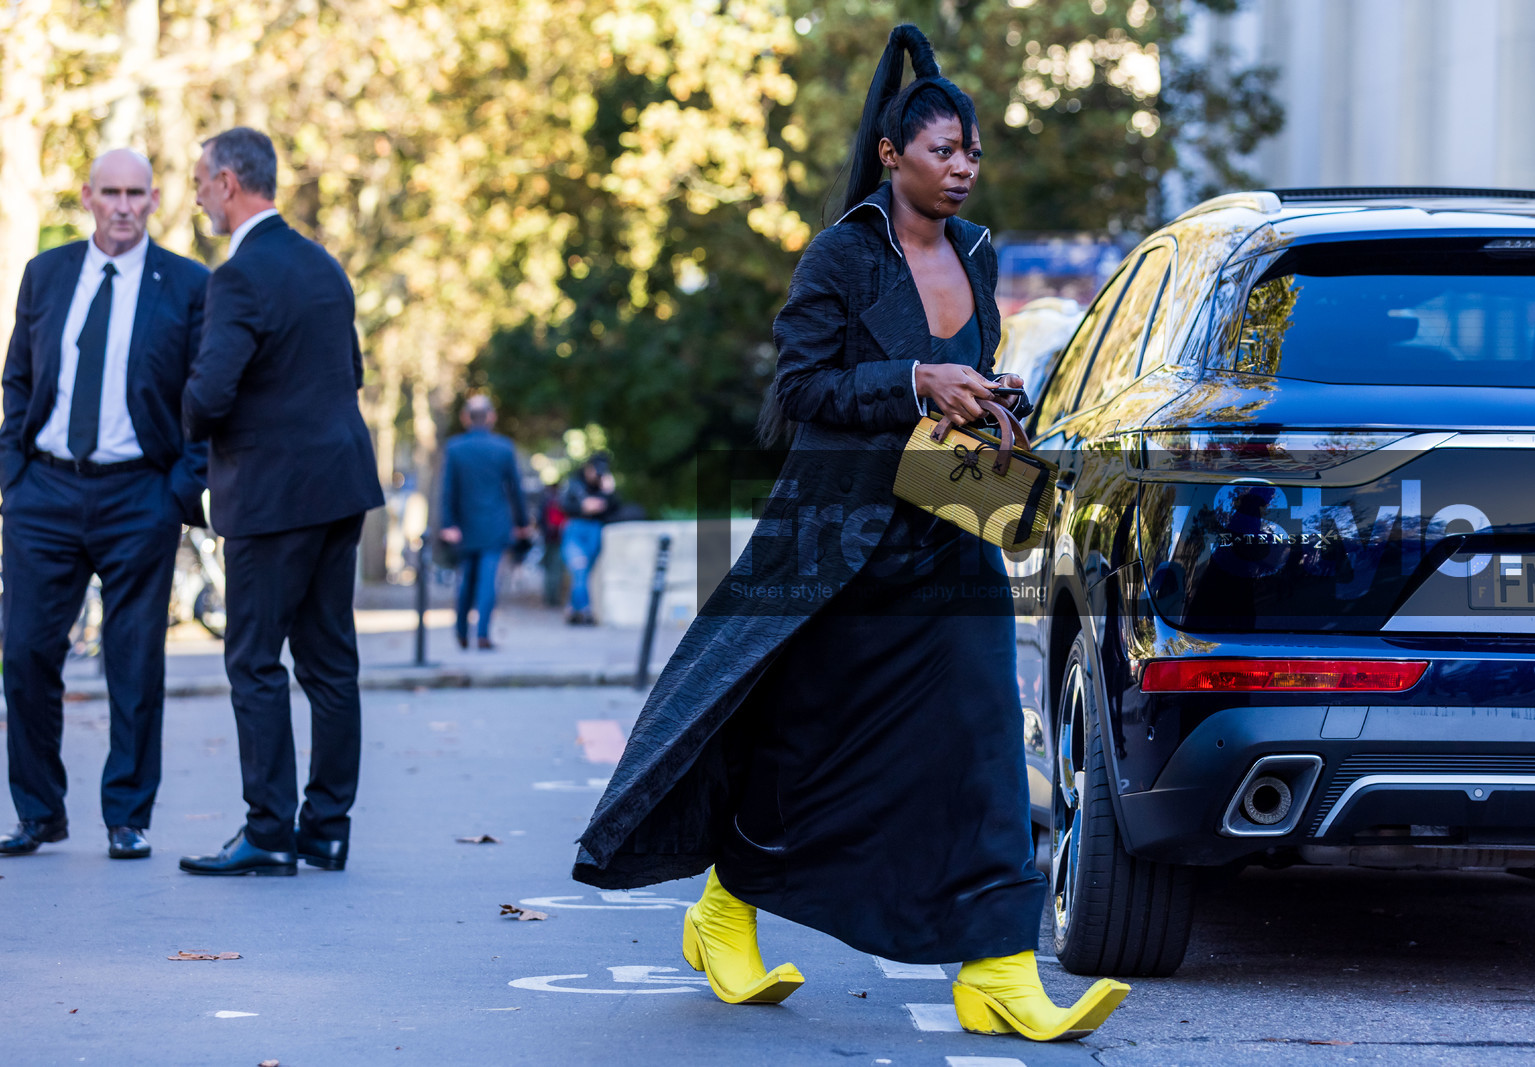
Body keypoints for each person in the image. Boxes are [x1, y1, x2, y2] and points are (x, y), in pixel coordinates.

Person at [574, 26, 1130, 1041]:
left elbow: (954, 385)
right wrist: (916, 380)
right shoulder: (839, 255)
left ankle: (999, 967)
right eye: (941, 151)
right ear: (891, 155)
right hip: (839, 539)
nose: (961, 168)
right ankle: (721, 909)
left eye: (970, 153)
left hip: (947, 527)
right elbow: (799, 393)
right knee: (805, 740)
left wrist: (986, 406)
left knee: (983, 737)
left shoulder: (974, 249)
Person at [0, 149, 209, 862]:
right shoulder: (46, 273)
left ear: (153, 200)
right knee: (25, 652)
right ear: (87, 196)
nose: (122, 205)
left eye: (135, 193)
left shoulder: (186, 284)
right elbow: (18, 379)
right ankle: (38, 812)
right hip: (44, 490)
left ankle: (127, 814)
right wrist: (13, 473)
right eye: (109, 192)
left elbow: (205, 403)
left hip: (137, 494)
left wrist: (177, 492)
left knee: (135, 661)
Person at [178, 127, 384, 877]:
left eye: (201, 180)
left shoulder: (239, 276)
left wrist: (185, 419)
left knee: (254, 660)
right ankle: (326, 828)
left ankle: (268, 829)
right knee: (330, 663)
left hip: (271, 495)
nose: (197, 193)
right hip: (339, 485)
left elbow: (210, 391)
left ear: (230, 182)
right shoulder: (324, 266)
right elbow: (350, 372)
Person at [437, 395, 530, 650]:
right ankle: (483, 634)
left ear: (466, 417)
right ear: (491, 417)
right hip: (496, 523)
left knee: (466, 578)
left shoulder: (455, 448)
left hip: (465, 525)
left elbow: (447, 490)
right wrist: (522, 523)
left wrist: (448, 524)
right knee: (489, 579)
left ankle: (461, 632)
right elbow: (515, 489)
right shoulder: (504, 447)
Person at [559, 453, 614, 625]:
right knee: (580, 568)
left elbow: (615, 510)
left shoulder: (604, 487)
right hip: (575, 530)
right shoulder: (574, 484)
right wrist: (583, 507)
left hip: (594, 531)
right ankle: (585, 610)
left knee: (583, 574)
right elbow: (563, 505)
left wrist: (608, 493)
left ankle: (573, 610)